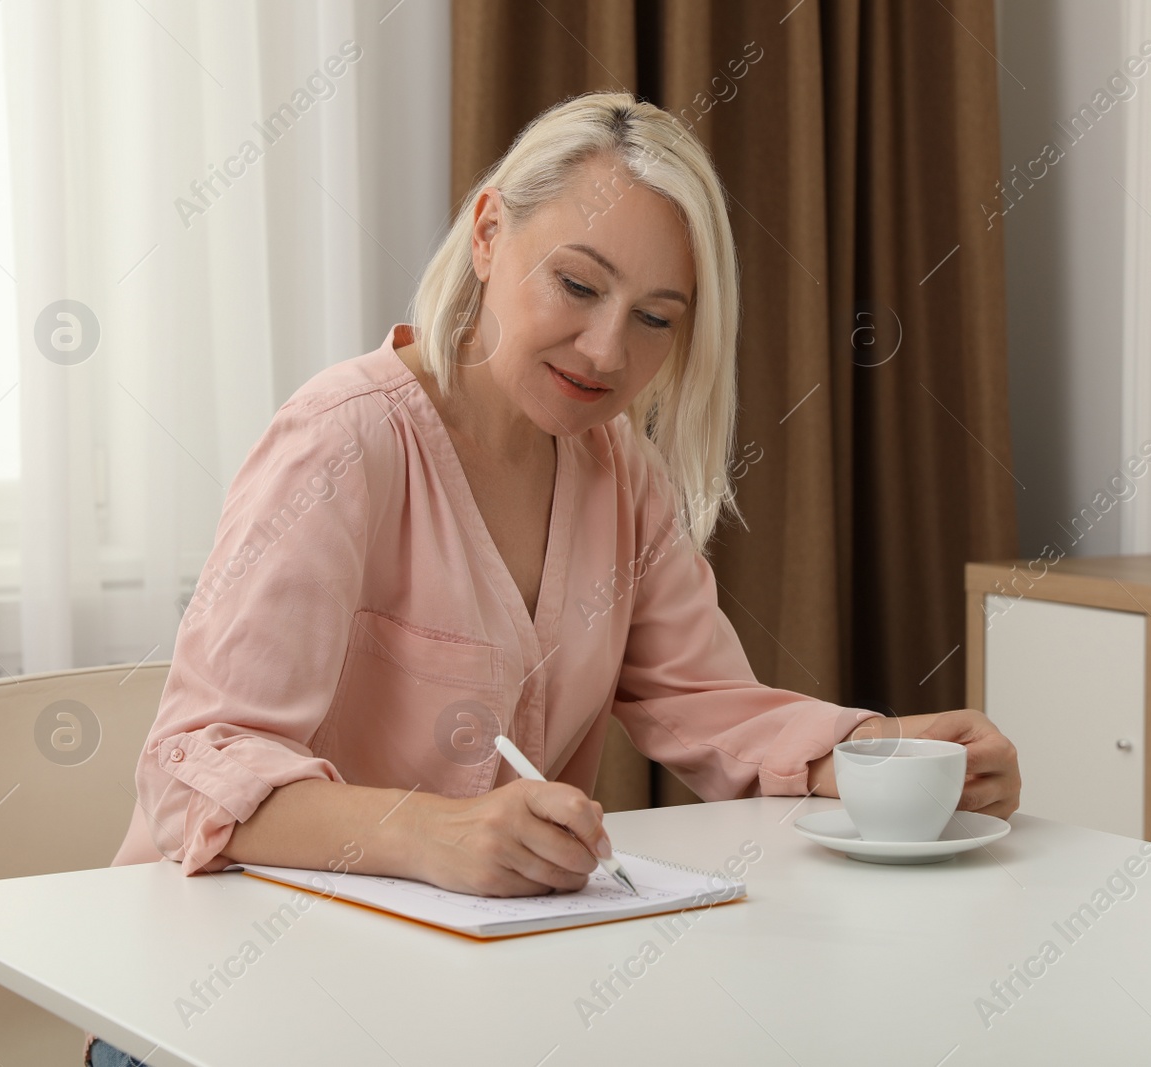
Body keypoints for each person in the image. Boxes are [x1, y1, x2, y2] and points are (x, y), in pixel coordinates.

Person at [86, 90, 1020, 1066]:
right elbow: (195, 764)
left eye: (656, 318)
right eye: (576, 286)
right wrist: (439, 834)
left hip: (443, 999)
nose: (609, 350)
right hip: (211, 1008)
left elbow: (710, 705)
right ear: (490, 234)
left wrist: (886, 756)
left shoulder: (618, 473)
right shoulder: (342, 441)